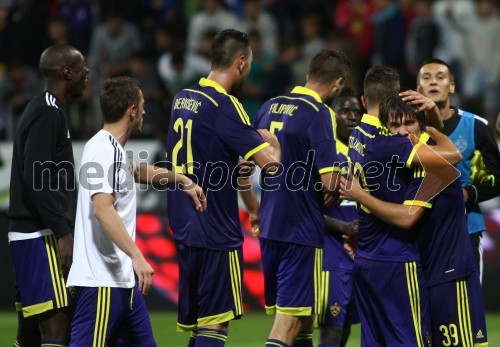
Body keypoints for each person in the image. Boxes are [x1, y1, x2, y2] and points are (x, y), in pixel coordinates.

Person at [66, 76, 206, 346]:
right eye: (141, 105)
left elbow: (139, 171)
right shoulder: (104, 150)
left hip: (123, 283)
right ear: (131, 110)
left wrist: (183, 180)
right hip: (102, 282)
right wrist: (138, 256)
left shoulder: (112, 149)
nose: (144, 111)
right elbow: (103, 210)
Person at [340, 93, 489, 347]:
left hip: (450, 275)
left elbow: (407, 218)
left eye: (408, 123)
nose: (401, 132)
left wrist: (360, 195)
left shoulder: (434, 165)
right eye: (394, 125)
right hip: (423, 273)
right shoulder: (405, 163)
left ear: (421, 124)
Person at [165, 29, 281, 347]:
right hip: (216, 230)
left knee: (201, 325)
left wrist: (252, 207)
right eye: (250, 64)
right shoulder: (225, 106)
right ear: (240, 62)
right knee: (216, 327)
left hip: (184, 228)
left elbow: (215, 157)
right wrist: (272, 141)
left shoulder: (182, 99)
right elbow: (271, 164)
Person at [253, 49, 352, 347]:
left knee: (303, 322)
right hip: (299, 229)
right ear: (337, 83)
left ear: (309, 74)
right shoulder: (319, 113)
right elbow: (329, 181)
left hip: (270, 224)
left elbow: (250, 162)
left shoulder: (269, 106)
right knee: (287, 324)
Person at [7, 44, 89, 347]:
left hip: (31, 233)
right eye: (83, 68)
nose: (87, 75)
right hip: (39, 235)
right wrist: (62, 232)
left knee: (29, 334)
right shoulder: (47, 112)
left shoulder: (46, 108)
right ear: (67, 72)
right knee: (57, 332)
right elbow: (36, 179)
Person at [416, 58, 500, 283]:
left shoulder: (476, 126)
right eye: (427, 77)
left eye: (440, 77)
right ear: (418, 89)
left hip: (466, 232)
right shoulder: (408, 129)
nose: (434, 82)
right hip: (420, 233)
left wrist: (468, 194)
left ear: (451, 86)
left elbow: (497, 177)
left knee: (469, 312)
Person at [317, 87, 362, 347]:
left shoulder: (364, 152)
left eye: (357, 111)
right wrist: (343, 226)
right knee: (332, 329)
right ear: (331, 115)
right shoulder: (323, 151)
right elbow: (306, 207)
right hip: (330, 251)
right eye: (345, 111)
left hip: (358, 250)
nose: (352, 117)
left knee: (345, 327)